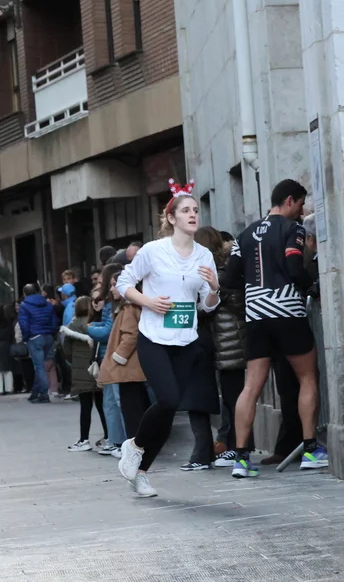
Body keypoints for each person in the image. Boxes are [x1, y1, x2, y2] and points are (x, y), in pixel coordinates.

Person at [115, 180, 221, 498]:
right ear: (172, 218)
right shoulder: (153, 251)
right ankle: (134, 446)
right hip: (154, 338)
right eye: (186, 210)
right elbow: (123, 283)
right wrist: (148, 302)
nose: (193, 215)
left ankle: (141, 473)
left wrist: (214, 289)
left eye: (195, 210)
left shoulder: (204, 255)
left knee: (169, 410)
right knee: (169, 400)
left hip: (187, 340)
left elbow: (207, 306)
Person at [220, 179, 327, 478]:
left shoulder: (244, 234)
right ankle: (310, 450)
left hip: (256, 315)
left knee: (251, 386)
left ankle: (241, 458)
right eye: (301, 204)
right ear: (289, 200)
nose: (302, 211)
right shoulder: (293, 229)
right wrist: (312, 286)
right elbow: (294, 268)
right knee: (307, 377)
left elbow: (229, 280)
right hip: (287, 310)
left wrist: (257, 290)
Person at [179, 226, 227, 472]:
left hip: (199, 339)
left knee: (196, 398)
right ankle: (206, 451)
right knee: (198, 398)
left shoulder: (205, 271)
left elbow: (205, 305)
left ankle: (203, 453)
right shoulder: (213, 269)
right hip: (205, 338)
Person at [201, 232, 247, 468]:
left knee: (234, 398)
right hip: (225, 343)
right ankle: (234, 446)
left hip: (231, 344)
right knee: (231, 398)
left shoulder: (222, 274)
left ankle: (238, 448)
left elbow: (237, 305)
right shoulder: (223, 272)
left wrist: (218, 290)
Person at [97, 279, 147, 455]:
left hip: (128, 367)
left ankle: (135, 449)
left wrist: (118, 357)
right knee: (134, 406)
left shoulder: (128, 308)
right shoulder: (131, 307)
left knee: (130, 409)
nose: (112, 289)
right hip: (132, 367)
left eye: (115, 284)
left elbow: (131, 335)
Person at [61, 297, 108, 451]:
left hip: (81, 371)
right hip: (97, 368)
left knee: (85, 407)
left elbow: (66, 350)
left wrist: (75, 361)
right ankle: (109, 436)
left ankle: (84, 439)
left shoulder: (72, 326)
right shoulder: (97, 325)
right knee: (102, 405)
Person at [90, 264, 125, 457]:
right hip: (110, 357)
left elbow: (108, 331)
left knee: (117, 401)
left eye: (110, 283)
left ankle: (122, 441)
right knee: (110, 402)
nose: (106, 287)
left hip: (114, 358)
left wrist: (87, 328)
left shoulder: (117, 306)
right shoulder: (111, 304)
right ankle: (115, 440)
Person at [18, 283, 59, 404]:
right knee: (42, 365)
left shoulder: (24, 305)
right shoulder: (47, 304)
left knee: (39, 366)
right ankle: (35, 392)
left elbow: (24, 324)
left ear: (24, 293)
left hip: (34, 337)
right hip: (48, 336)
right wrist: (52, 333)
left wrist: (26, 337)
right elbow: (53, 321)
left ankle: (43, 394)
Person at [0, 303, 15, 395]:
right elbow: (11, 335)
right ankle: (9, 388)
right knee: (7, 368)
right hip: (6, 345)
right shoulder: (8, 323)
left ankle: (0, 389)